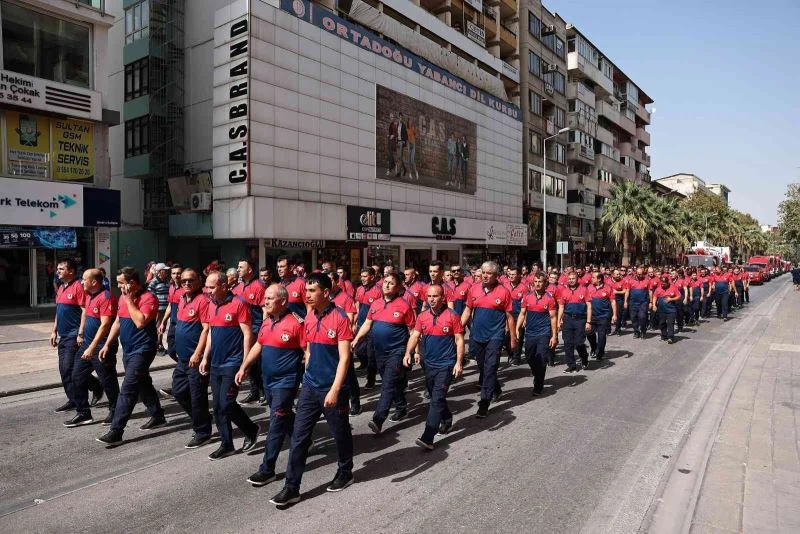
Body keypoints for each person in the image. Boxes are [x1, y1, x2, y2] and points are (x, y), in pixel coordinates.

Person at [269, 273, 355, 506]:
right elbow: (307, 349)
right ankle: (291, 487)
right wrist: (307, 370)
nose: (306, 294)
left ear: (325, 293)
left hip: (331, 388)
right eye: (305, 290)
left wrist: (335, 390)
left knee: (340, 433)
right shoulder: (308, 317)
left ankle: (345, 470)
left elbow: (345, 358)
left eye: (312, 291)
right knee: (298, 438)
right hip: (310, 387)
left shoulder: (340, 319)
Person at [238, 284, 306, 486]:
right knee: (283, 415)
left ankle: (267, 469)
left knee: (276, 423)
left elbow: (307, 350)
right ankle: (301, 438)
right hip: (268, 381)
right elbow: (259, 344)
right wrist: (244, 366)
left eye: (269, 298)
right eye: (265, 298)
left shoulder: (296, 323)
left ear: (283, 301)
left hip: (286, 382)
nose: (264, 301)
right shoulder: (267, 322)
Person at [96, 267, 166, 446]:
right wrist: (107, 344)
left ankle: (116, 430)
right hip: (128, 350)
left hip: (143, 349)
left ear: (132, 283)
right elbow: (118, 322)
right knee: (142, 382)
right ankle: (157, 415)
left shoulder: (148, 298)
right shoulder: (122, 298)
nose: (119, 287)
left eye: (121, 283)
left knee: (128, 388)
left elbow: (140, 322)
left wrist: (129, 300)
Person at [198, 271, 259, 460]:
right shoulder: (210, 304)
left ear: (224, 286)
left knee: (227, 403)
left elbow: (248, 334)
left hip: (233, 363)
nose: (207, 291)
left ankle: (250, 429)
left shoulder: (238, 303)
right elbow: (210, 333)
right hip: (216, 362)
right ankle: (227, 444)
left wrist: (245, 363)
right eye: (206, 287)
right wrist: (205, 357)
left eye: (211, 287)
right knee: (217, 406)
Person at [353, 273, 415, 432]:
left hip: (397, 351)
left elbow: (413, 330)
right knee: (393, 383)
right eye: (385, 282)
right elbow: (367, 323)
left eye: (391, 283)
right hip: (379, 351)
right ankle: (401, 407)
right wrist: (357, 339)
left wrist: (412, 352)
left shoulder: (404, 305)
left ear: (399, 287)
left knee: (387, 384)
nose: (386, 285)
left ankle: (378, 419)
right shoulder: (376, 304)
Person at [404, 284, 464, 449]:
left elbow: (459, 340)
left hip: (446, 364)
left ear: (443, 297)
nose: (431, 299)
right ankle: (446, 418)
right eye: (429, 296)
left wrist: (459, 362)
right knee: (434, 395)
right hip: (428, 363)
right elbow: (415, 335)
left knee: (436, 399)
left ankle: (427, 437)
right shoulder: (422, 316)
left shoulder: (452, 316)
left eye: (435, 296)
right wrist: (408, 353)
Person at [65, 269, 120, 427]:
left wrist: (92, 347)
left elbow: (105, 325)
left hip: (102, 346)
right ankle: (83, 413)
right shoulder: (89, 295)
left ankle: (115, 410)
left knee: (107, 380)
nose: (81, 282)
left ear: (94, 282)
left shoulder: (106, 297)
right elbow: (86, 315)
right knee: (76, 376)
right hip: (87, 345)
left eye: (84, 279)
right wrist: (81, 334)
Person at [461, 261, 515, 418]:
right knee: (484, 368)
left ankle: (484, 402)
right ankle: (496, 389)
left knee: (490, 367)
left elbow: (510, 317)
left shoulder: (503, 292)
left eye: (489, 273)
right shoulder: (474, 288)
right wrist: (459, 328)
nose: (485, 275)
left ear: (496, 275)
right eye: (483, 272)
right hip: (477, 335)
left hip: (495, 336)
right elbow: (468, 309)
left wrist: (513, 338)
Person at [51, 259, 103, 414]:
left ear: (71, 271)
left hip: (74, 335)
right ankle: (84, 392)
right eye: (58, 269)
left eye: (61, 269)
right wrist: (54, 331)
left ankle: (81, 399)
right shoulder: (61, 288)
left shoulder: (79, 287)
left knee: (69, 368)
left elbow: (84, 311)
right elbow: (58, 311)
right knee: (64, 369)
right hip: (63, 335)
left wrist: (80, 333)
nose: (58, 271)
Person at [170, 268, 213, 449]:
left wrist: (198, 353)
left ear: (198, 282)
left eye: (191, 280)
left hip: (196, 358)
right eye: (184, 280)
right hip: (183, 358)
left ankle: (203, 432)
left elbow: (206, 329)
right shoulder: (181, 299)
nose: (187, 283)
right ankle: (201, 417)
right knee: (179, 391)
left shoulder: (202, 300)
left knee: (197, 397)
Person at [516, 273, 558, 396]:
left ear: (545, 283)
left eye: (540, 281)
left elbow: (553, 318)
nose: (538, 284)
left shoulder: (549, 298)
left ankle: (538, 385)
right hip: (530, 333)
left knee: (541, 359)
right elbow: (522, 314)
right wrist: (517, 329)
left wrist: (554, 336)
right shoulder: (527, 297)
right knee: (529, 357)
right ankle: (536, 373)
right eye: (536, 281)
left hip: (543, 333)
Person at [234, 259, 268, 405]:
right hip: (242, 330)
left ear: (250, 270)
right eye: (238, 266)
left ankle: (264, 392)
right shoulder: (237, 287)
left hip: (255, 329)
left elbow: (265, 310)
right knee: (249, 363)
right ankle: (254, 392)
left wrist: (263, 330)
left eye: (241, 267)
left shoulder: (259, 286)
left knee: (258, 363)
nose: (238, 269)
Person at [329, 271, 361, 415]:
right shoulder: (323, 297)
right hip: (328, 341)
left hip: (342, 339)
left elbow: (349, 320)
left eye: (329, 280)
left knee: (348, 373)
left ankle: (355, 403)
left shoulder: (345, 298)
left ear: (336, 281)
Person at [557, 271, 592, 372]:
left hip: (580, 320)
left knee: (579, 343)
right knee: (567, 343)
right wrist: (559, 320)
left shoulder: (584, 290)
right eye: (569, 279)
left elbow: (589, 306)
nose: (571, 280)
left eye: (573, 279)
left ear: (577, 279)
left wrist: (588, 322)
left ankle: (584, 358)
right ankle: (571, 365)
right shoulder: (563, 291)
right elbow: (561, 307)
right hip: (567, 319)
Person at [355, 267, 382, 386]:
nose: (363, 278)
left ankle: (370, 379)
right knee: (359, 350)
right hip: (360, 325)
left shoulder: (378, 291)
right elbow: (357, 306)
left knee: (371, 355)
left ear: (372, 277)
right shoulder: (360, 289)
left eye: (365, 276)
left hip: (373, 327)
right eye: (362, 276)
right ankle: (364, 363)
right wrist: (354, 322)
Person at [587, 272, 617, 362]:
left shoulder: (608, 288)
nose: (591, 279)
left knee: (602, 335)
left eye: (593, 277)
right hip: (591, 316)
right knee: (589, 333)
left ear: (599, 279)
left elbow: (613, 302)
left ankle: (600, 353)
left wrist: (614, 314)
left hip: (603, 316)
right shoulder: (589, 287)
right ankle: (594, 347)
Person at [158, 264, 184, 363]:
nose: (176, 275)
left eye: (178, 273)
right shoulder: (172, 287)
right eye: (174, 273)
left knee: (182, 350)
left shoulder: (186, 289)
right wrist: (163, 322)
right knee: (171, 350)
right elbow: (170, 305)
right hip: (173, 324)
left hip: (182, 324)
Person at [504, 266, 527, 366]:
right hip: (507, 316)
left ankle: (517, 357)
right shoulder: (504, 286)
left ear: (518, 276)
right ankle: (510, 354)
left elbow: (526, 305)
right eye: (510, 275)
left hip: (519, 316)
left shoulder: (523, 288)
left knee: (519, 337)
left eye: (514, 274)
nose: (511, 276)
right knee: (506, 337)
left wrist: (525, 318)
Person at [148, 263, 170, 353]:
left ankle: (159, 344)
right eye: (165, 270)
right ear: (160, 272)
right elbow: (150, 295)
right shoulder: (154, 281)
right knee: (158, 326)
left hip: (166, 308)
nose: (167, 272)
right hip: (159, 309)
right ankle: (158, 345)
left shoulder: (166, 281)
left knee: (163, 327)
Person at [652, 276, 681, 343]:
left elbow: (679, 296)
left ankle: (670, 337)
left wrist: (671, 299)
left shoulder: (673, 288)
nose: (662, 285)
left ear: (667, 283)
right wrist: (654, 305)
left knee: (670, 323)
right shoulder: (658, 289)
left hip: (671, 309)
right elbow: (655, 297)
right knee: (662, 323)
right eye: (661, 284)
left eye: (664, 284)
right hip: (661, 310)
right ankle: (664, 335)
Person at [628, 266, 650, 339]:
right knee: (633, 318)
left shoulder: (647, 280)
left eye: (642, 274)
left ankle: (643, 331)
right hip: (633, 302)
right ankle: (636, 331)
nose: (640, 275)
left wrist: (651, 302)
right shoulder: (631, 281)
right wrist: (625, 301)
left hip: (643, 303)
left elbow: (650, 291)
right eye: (639, 274)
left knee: (642, 317)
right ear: (636, 273)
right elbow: (627, 291)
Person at [610, 268, 629, 335]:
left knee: (618, 315)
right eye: (617, 274)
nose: (618, 275)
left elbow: (625, 291)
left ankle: (618, 329)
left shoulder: (622, 281)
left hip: (619, 300)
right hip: (609, 300)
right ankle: (610, 329)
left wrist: (617, 292)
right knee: (610, 314)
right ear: (612, 274)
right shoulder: (607, 281)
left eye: (619, 274)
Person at [395, 112, 408, 177]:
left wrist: (404, 141)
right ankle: (405, 169)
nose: (401, 118)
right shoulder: (397, 125)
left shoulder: (404, 125)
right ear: (398, 117)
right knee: (398, 157)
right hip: (397, 142)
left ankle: (398, 173)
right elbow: (396, 133)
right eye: (400, 117)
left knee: (399, 157)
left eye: (402, 117)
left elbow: (406, 135)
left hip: (401, 142)